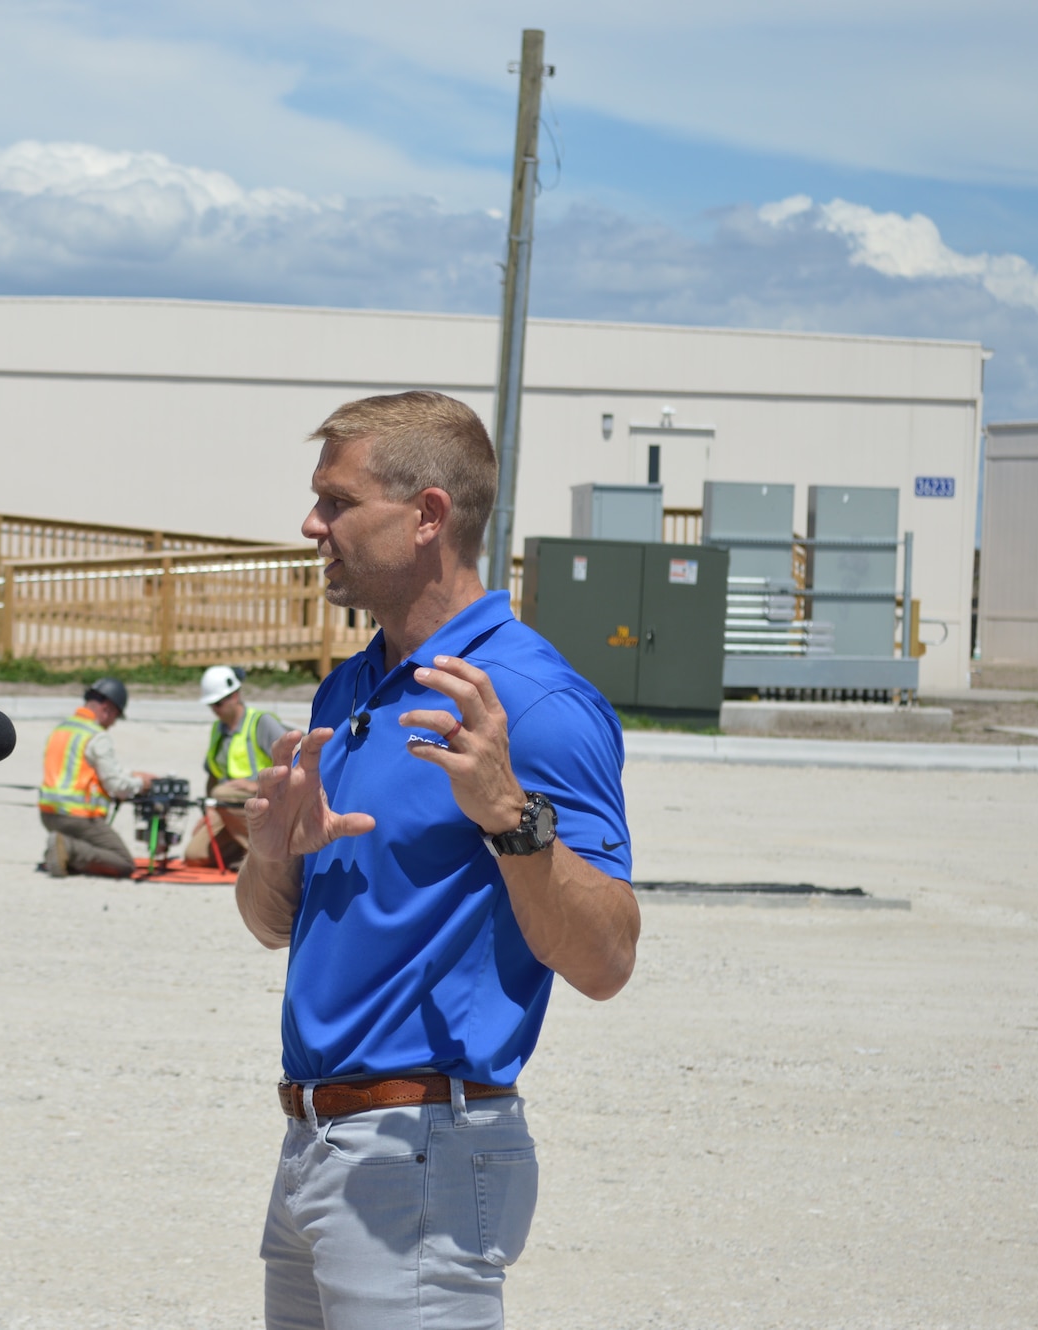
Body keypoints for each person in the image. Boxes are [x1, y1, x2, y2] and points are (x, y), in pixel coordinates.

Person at [235, 390, 640, 1329]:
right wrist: (270, 856)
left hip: (422, 1151)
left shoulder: (532, 702)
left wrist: (510, 814)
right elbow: (271, 927)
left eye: (336, 502)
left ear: (426, 515)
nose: (311, 523)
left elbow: (608, 959)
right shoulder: (353, 684)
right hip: (311, 1146)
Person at [37, 677, 154, 877]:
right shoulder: (97, 735)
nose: (113, 724)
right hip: (78, 817)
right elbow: (117, 786)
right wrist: (140, 784)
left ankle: (62, 847)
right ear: (107, 708)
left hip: (48, 814)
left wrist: (129, 774)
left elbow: (81, 769)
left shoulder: (62, 729)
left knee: (94, 847)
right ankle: (69, 848)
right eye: (115, 717)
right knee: (123, 863)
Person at [183, 664, 289, 869]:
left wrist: (256, 785)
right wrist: (209, 813)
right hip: (229, 805)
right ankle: (246, 854)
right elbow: (213, 776)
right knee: (194, 854)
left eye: (218, 703)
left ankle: (269, 855)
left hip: (266, 802)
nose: (215, 710)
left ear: (235, 695)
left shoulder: (261, 722)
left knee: (223, 793)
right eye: (211, 705)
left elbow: (293, 761)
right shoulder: (217, 729)